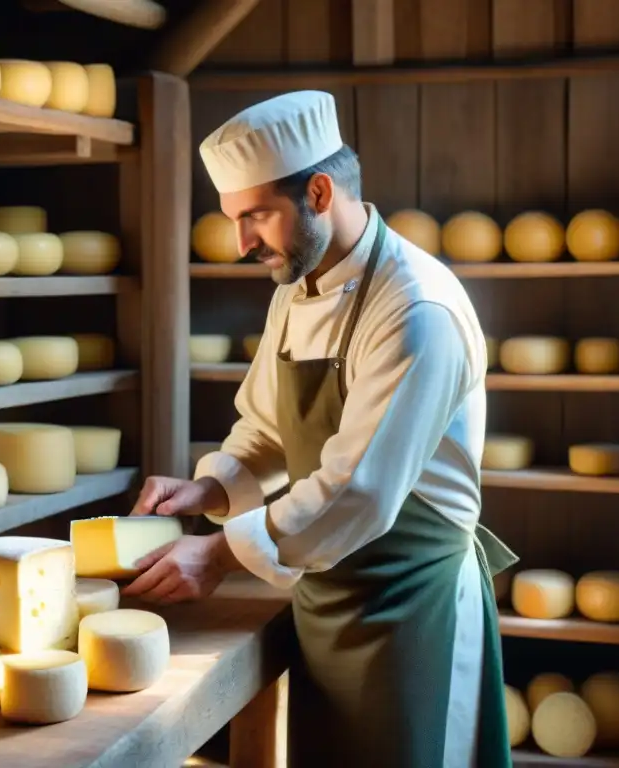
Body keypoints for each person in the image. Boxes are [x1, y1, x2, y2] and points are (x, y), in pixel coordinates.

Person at [122, 90, 518, 767]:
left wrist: (217, 555)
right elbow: (269, 427)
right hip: (326, 598)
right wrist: (209, 491)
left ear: (320, 190)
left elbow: (358, 489)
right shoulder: (295, 290)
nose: (240, 242)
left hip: (410, 612)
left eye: (255, 217)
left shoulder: (415, 310)